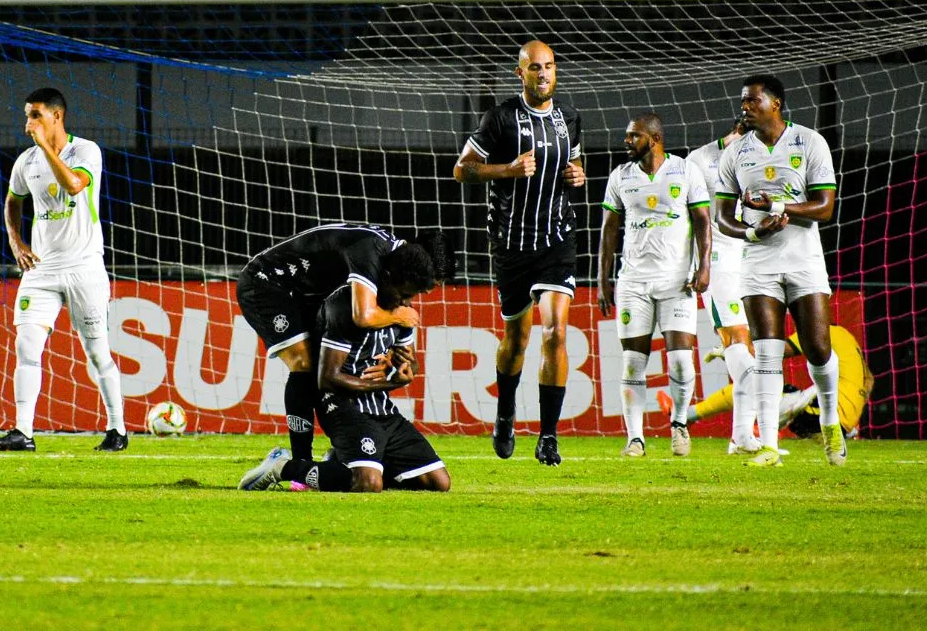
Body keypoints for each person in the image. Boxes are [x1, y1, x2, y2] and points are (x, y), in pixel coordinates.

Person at [452, 40, 585, 466]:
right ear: (520, 73)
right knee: (517, 338)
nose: (543, 74)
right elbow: (462, 170)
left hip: (556, 241)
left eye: (549, 66)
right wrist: (506, 169)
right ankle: (506, 412)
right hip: (511, 244)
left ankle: (548, 437)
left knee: (556, 331)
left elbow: (572, 167)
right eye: (534, 68)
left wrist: (578, 175)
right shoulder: (500, 118)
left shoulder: (570, 119)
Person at [235, 224, 455, 462]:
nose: (426, 292)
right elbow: (363, 316)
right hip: (268, 282)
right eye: (428, 284)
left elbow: (407, 357)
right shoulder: (371, 250)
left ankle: (344, 450)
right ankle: (299, 462)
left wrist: (401, 365)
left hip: (307, 293)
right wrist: (399, 316)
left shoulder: (390, 268)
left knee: (328, 359)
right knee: (304, 363)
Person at [0, 88, 128, 453]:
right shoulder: (25, 162)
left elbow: (73, 184)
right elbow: (12, 203)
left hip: (84, 269)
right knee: (26, 344)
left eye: (35, 115)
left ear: (57, 116)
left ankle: (118, 429)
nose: (28, 123)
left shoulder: (86, 151)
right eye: (27, 115)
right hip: (42, 270)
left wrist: (46, 148)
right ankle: (23, 432)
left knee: (97, 353)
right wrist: (16, 242)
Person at [716, 74, 844, 467]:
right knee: (767, 354)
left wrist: (778, 208)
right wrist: (752, 231)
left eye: (753, 101)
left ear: (776, 103)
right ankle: (770, 444)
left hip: (804, 261)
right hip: (758, 264)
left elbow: (825, 207)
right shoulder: (735, 154)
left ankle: (829, 418)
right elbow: (722, 218)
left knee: (818, 350)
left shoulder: (809, 142)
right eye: (743, 102)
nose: (745, 108)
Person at [597, 113, 711, 457]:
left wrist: (704, 267)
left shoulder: (686, 171)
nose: (626, 141)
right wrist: (603, 279)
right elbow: (608, 230)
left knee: (680, 361)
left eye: (633, 136)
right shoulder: (621, 176)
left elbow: (703, 222)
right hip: (633, 282)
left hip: (677, 282)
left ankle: (679, 425)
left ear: (654, 138)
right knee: (633, 362)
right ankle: (635, 437)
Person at [686, 117, 760, 454]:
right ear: (736, 131)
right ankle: (745, 433)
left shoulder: (759, 161)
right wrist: (696, 266)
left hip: (753, 260)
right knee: (738, 340)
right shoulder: (700, 162)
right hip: (718, 264)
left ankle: (742, 436)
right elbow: (691, 217)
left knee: (750, 347)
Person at [666, 325, 875, 439]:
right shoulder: (845, 336)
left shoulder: (823, 332)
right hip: (844, 421)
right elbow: (869, 381)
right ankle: (692, 415)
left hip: (822, 418)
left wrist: (733, 352)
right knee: (785, 392)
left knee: (755, 384)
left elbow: (773, 353)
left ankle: (762, 429)